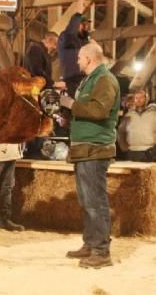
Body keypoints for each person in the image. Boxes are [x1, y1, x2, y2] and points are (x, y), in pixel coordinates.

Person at [59, 42, 120, 269]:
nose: (76, 62)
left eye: (79, 58)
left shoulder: (104, 80)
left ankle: (102, 252)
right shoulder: (91, 79)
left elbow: (99, 111)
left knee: (95, 202)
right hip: (85, 148)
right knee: (87, 201)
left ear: (89, 58)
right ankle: (91, 243)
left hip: (95, 148)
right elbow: (88, 111)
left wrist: (72, 104)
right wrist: (69, 119)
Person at [57, 0, 91, 97]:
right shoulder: (67, 38)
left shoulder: (84, 42)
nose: (86, 27)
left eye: (87, 24)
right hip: (71, 81)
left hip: (83, 80)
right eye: (83, 24)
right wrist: (78, 13)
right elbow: (70, 32)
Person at [117, 90, 155, 162]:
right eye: (136, 98)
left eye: (141, 98)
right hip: (132, 152)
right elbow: (121, 133)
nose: (139, 100)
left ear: (147, 99)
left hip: (150, 151)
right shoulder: (128, 116)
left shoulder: (153, 114)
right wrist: (125, 149)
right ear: (134, 100)